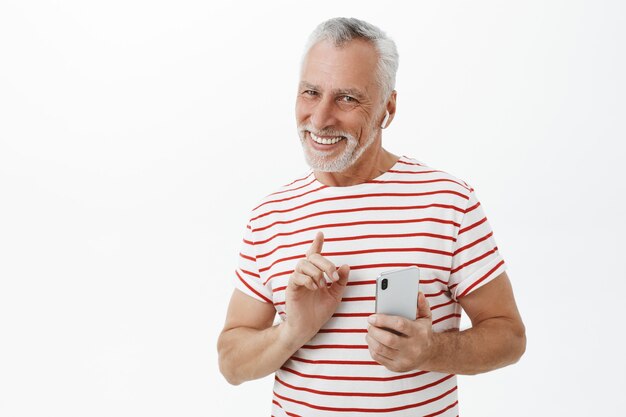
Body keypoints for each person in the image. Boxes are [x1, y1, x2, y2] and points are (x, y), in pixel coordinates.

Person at [217, 17, 526, 417]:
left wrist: (430, 350)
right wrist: (291, 332)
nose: (321, 118)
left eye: (347, 98)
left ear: (388, 108)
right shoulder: (271, 215)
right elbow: (231, 363)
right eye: (311, 92)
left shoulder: (448, 201)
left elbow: (509, 336)